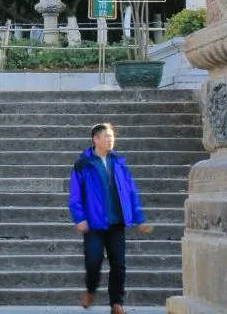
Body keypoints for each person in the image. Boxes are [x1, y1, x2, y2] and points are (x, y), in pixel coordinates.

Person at [68, 123, 153, 314]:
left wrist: (139, 218)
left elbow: (131, 191)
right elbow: (75, 194)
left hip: (116, 221)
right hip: (94, 224)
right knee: (93, 261)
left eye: (112, 136)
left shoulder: (119, 163)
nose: (110, 139)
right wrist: (79, 218)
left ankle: (116, 303)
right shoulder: (83, 163)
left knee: (119, 264)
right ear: (95, 139)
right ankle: (90, 290)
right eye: (106, 136)